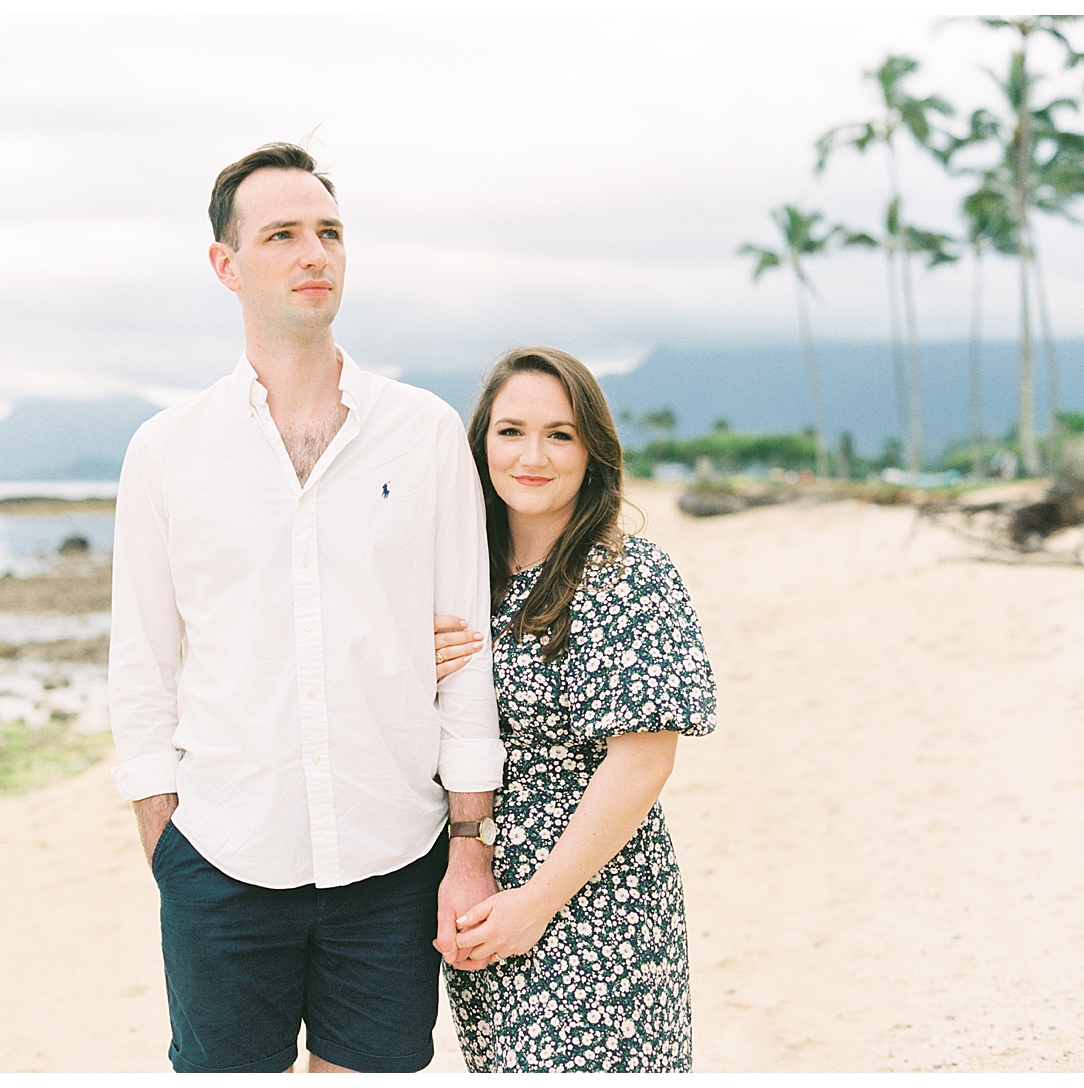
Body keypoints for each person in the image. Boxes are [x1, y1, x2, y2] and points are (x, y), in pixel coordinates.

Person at [107, 142, 505, 1075]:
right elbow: (143, 661)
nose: (313, 253)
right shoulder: (168, 451)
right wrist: (165, 839)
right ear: (227, 265)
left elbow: (469, 652)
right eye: (282, 234)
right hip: (221, 849)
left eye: (328, 232)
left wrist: (468, 839)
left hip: (393, 850)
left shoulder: (425, 434)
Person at [430, 346, 716, 1072]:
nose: (534, 455)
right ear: (481, 446)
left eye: (559, 434)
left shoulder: (628, 573)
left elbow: (646, 760)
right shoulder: (464, 583)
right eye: (511, 431)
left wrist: (539, 901)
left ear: (593, 450)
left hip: (597, 901)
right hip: (481, 900)